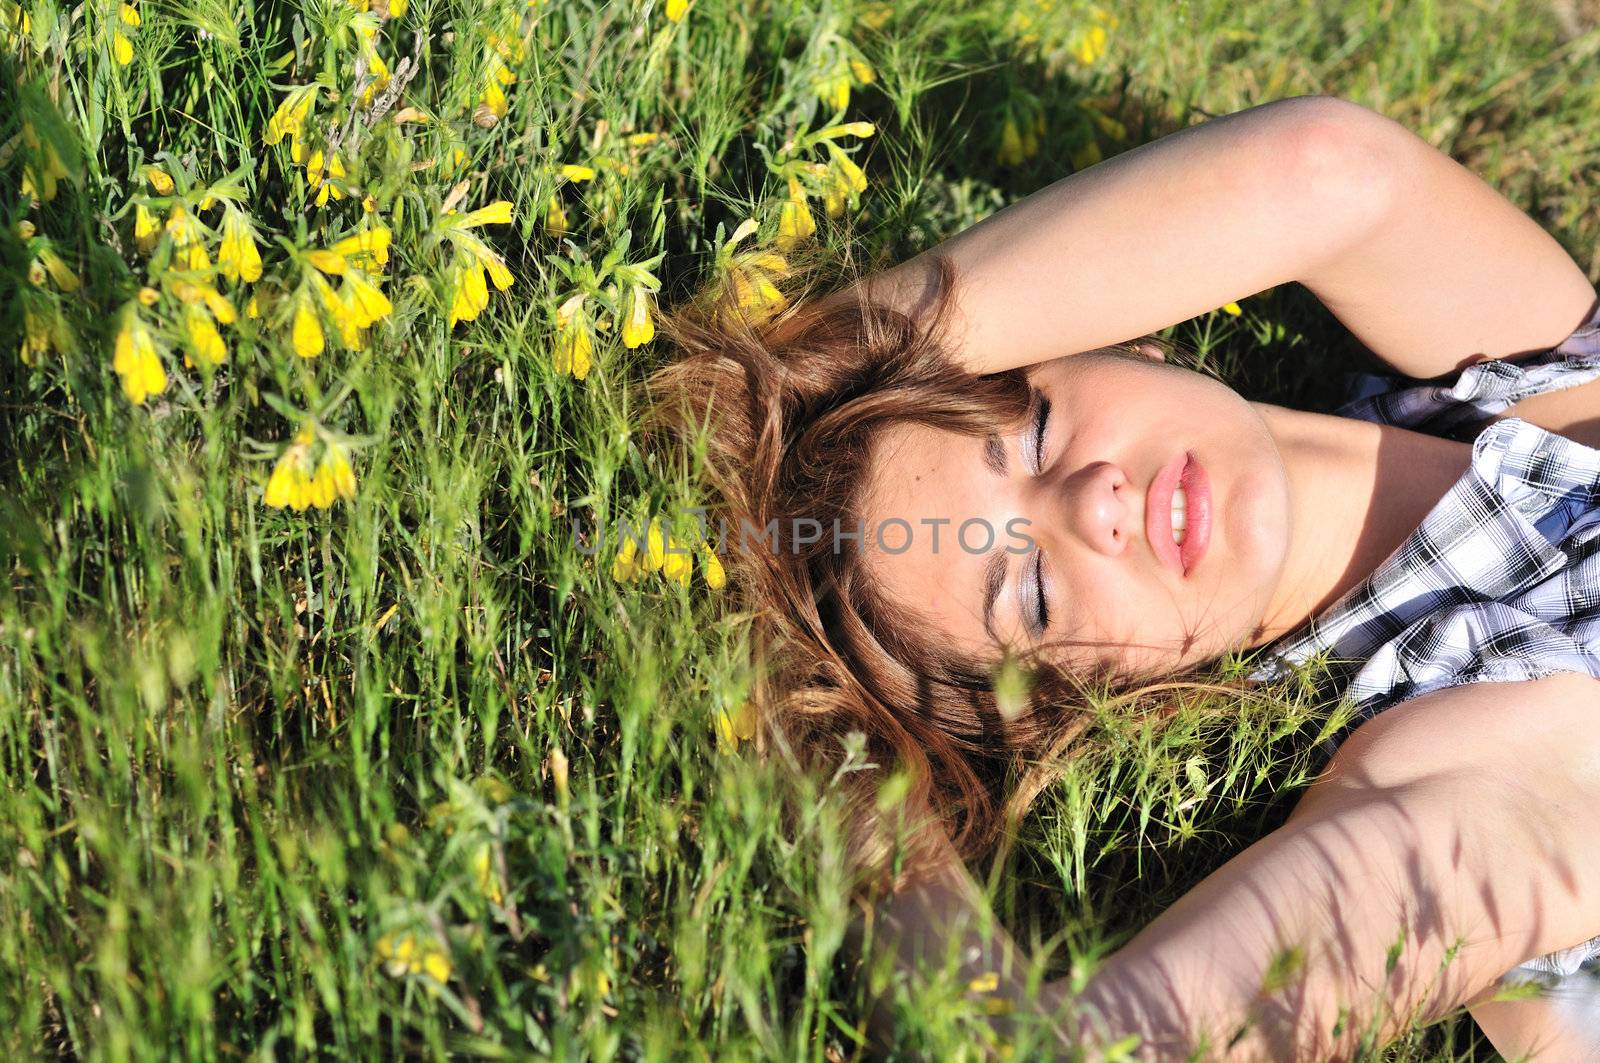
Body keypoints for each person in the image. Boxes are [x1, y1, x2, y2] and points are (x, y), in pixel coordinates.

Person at [645, 94, 1600, 1059]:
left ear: (1119, 333)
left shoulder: (1535, 383)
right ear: (1076, 703)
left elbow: (1328, 170)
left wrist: (780, 374)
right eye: (1034, 592)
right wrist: (854, 777)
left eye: (1036, 433)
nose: (1092, 502)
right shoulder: (1500, 754)